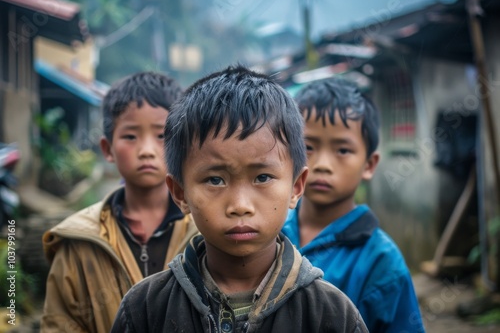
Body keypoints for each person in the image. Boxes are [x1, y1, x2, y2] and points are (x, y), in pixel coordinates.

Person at [111, 66, 368, 333]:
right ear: (179, 193)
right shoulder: (145, 309)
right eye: (215, 180)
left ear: (296, 187)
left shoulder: (331, 314)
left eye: (262, 177)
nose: (240, 206)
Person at [41, 72, 198, 333]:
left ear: (180, 145)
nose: (146, 150)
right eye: (130, 136)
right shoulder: (78, 240)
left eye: (161, 135)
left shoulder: (205, 232)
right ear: (107, 149)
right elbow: (58, 323)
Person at [282, 77, 425, 332]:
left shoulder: (382, 260)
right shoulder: (272, 233)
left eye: (343, 150)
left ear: (369, 164)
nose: (322, 164)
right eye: (308, 147)